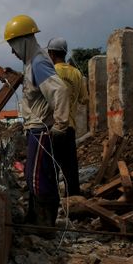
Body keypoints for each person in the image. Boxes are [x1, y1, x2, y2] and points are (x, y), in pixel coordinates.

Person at [3, 14, 70, 228]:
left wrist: (60, 125)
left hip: (41, 130)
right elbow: (35, 87)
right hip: (37, 129)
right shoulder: (33, 63)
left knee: (39, 178)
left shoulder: (39, 62)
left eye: (12, 45)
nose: (12, 51)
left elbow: (59, 91)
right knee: (36, 175)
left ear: (22, 41)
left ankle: (44, 225)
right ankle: (37, 219)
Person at [47, 37, 88, 197]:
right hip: (70, 126)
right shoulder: (76, 73)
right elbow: (84, 99)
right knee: (70, 167)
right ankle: (73, 199)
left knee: (51, 166)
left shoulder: (50, 72)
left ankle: (51, 200)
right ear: (64, 53)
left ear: (50, 54)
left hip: (53, 126)